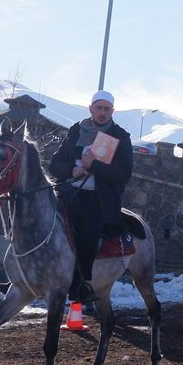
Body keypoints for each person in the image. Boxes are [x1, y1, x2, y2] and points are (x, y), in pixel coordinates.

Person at [50, 90, 132, 304]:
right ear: (90, 108)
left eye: (107, 109)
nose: (102, 113)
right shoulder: (76, 130)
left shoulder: (120, 136)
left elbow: (124, 174)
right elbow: (54, 164)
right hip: (67, 192)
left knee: (86, 232)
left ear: (112, 111)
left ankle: (83, 283)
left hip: (98, 199)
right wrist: (72, 171)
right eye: (99, 108)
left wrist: (93, 165)